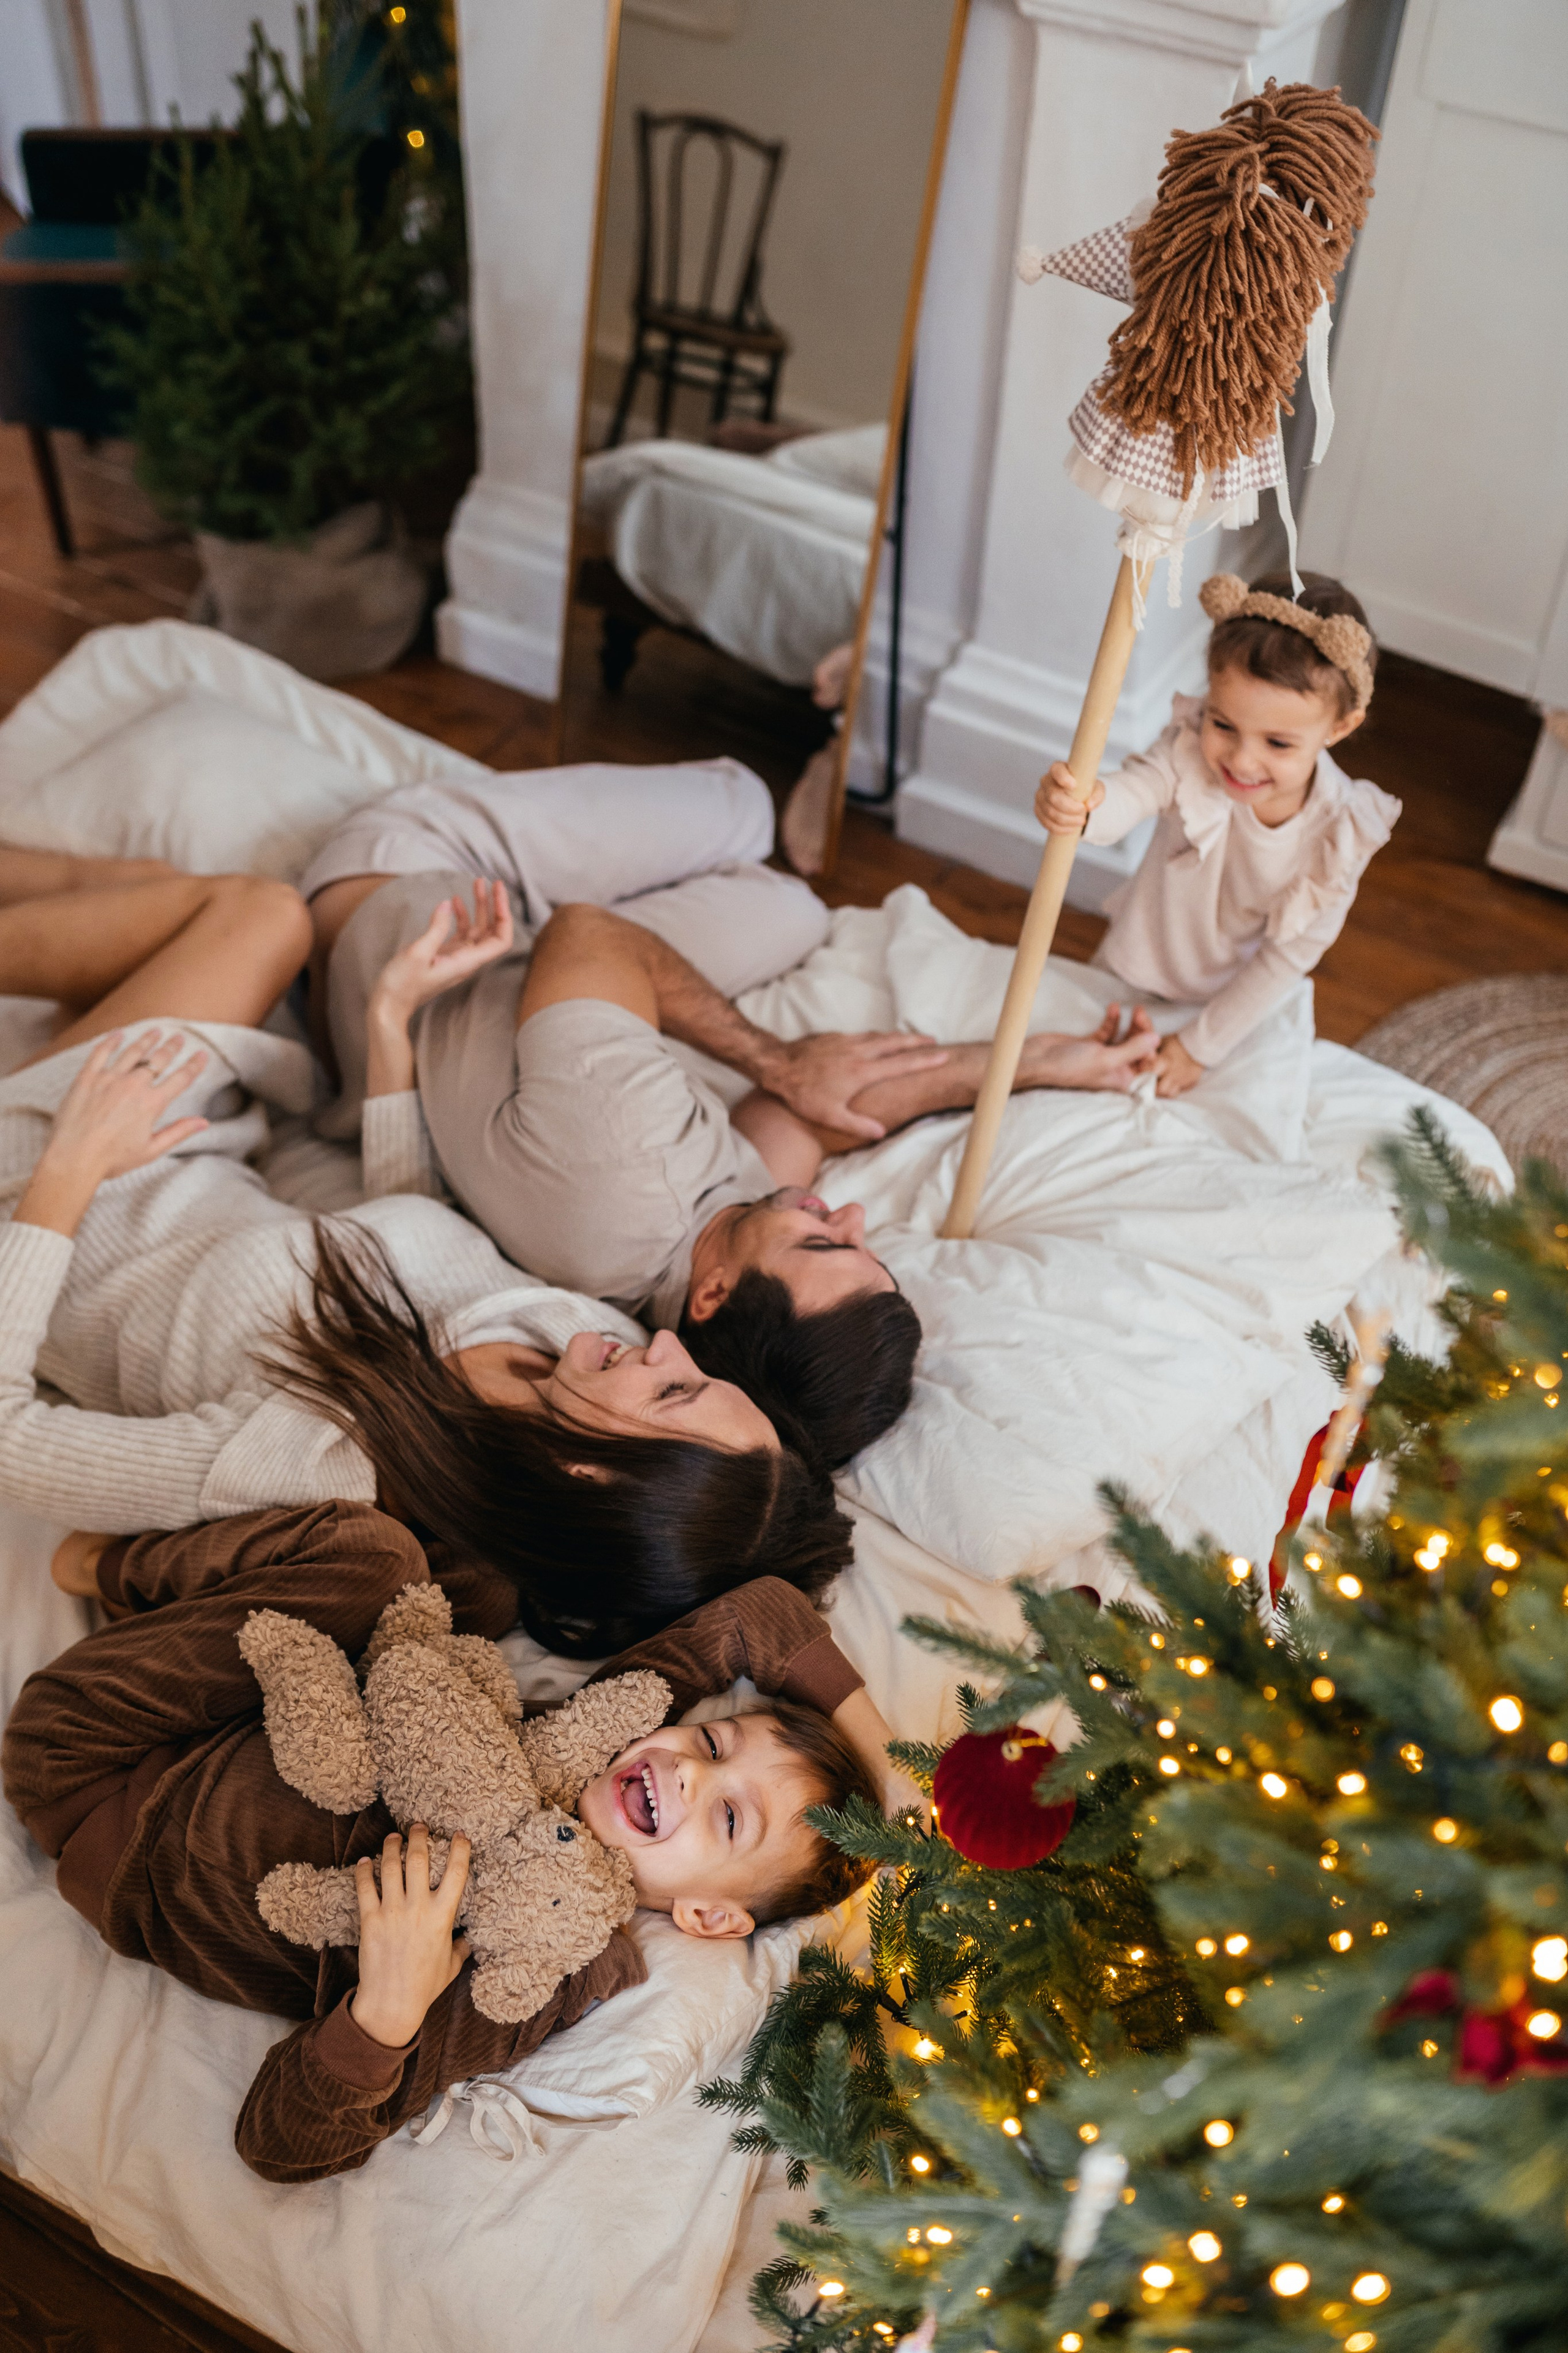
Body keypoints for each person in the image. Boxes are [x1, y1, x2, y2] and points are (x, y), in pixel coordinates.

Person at [0, 849, 851, 1657]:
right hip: (192, 1141)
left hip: (52, 1194)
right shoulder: (572, 1339)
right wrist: (391, 1024)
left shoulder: (313, 1458)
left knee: (256, 914)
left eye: (674, 1389)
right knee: (155, 891)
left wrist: (71, 1168)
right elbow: (405, 1236)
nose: (669, 1344)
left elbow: (11, 1438)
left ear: (589, 1475)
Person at [3, 1501, 903, 2182]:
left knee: (374, 1557)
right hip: (233, 1713)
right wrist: (893, 1780)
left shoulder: (537, 1971)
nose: (687, 1772)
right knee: (471, 1580)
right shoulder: (593, 1737)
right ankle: (129, 1568)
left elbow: (282, 2147)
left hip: (96, 1780)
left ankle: (115, 1570)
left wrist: (385, 2009)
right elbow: (763, 1613)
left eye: (729, 1818)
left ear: (709, 1915)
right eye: (710, 1743)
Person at [305, 760, 1158, 1464]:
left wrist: (778, 1059)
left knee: (743, 803)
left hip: (403, 887)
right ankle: (648, 942)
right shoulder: (706, 1262)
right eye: (859, 1243)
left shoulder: (628, 1167)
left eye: (826, 1241)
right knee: (786, 908)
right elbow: (823, 1121)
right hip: (514, 982)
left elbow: (584, 933)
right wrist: (1029, 1063)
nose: (852, 1212)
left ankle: (743, 817)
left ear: (713, 1295)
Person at [1035, 570, 1401, 1098]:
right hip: (1134, 963)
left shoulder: (1339, 834)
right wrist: (1087, 807)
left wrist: (1198, 1046)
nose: (1242, 760)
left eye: (1278, 743)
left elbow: (1287, 958)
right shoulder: (1189, 753)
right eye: (1223, 724)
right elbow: (1138, 789)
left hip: (1230, 1005)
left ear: (1338, 729)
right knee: (1074, 1070)